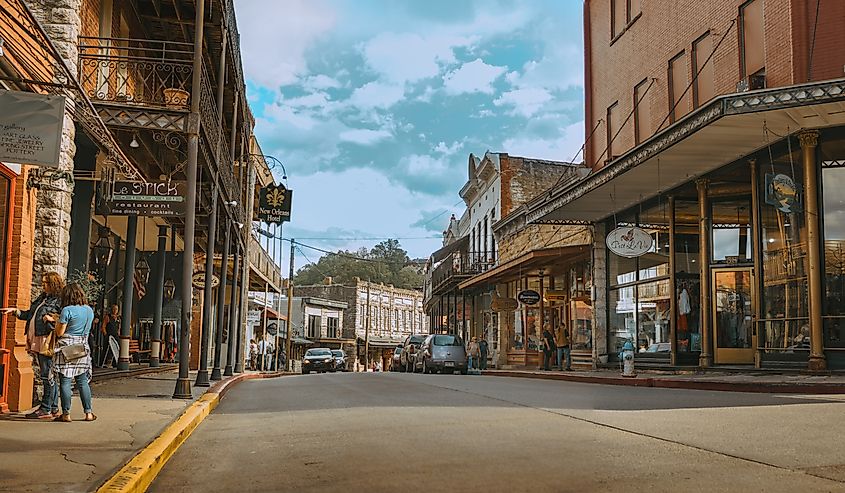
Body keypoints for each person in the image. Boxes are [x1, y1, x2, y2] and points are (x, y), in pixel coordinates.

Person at [2, 272, 63, 419]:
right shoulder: (43, 298)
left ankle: (46, 408)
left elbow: (63, 318)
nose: (43, 286)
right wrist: (15, 311)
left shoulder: (58, 300)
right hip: (37, 339)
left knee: (47, 374)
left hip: (45, 340)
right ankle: (53, 407)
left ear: (53, 284)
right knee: (48, 374)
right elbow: (29, 314)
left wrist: (52, 318)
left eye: (45, 283)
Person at [53, 283, 96, 422]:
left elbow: (60, 332)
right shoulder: (89, 310)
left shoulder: (67, 310)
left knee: (65, 381)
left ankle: (66, 414)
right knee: (82, 381)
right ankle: (88, 413)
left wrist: (55, 321)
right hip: (82, 347)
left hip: (66, 348)